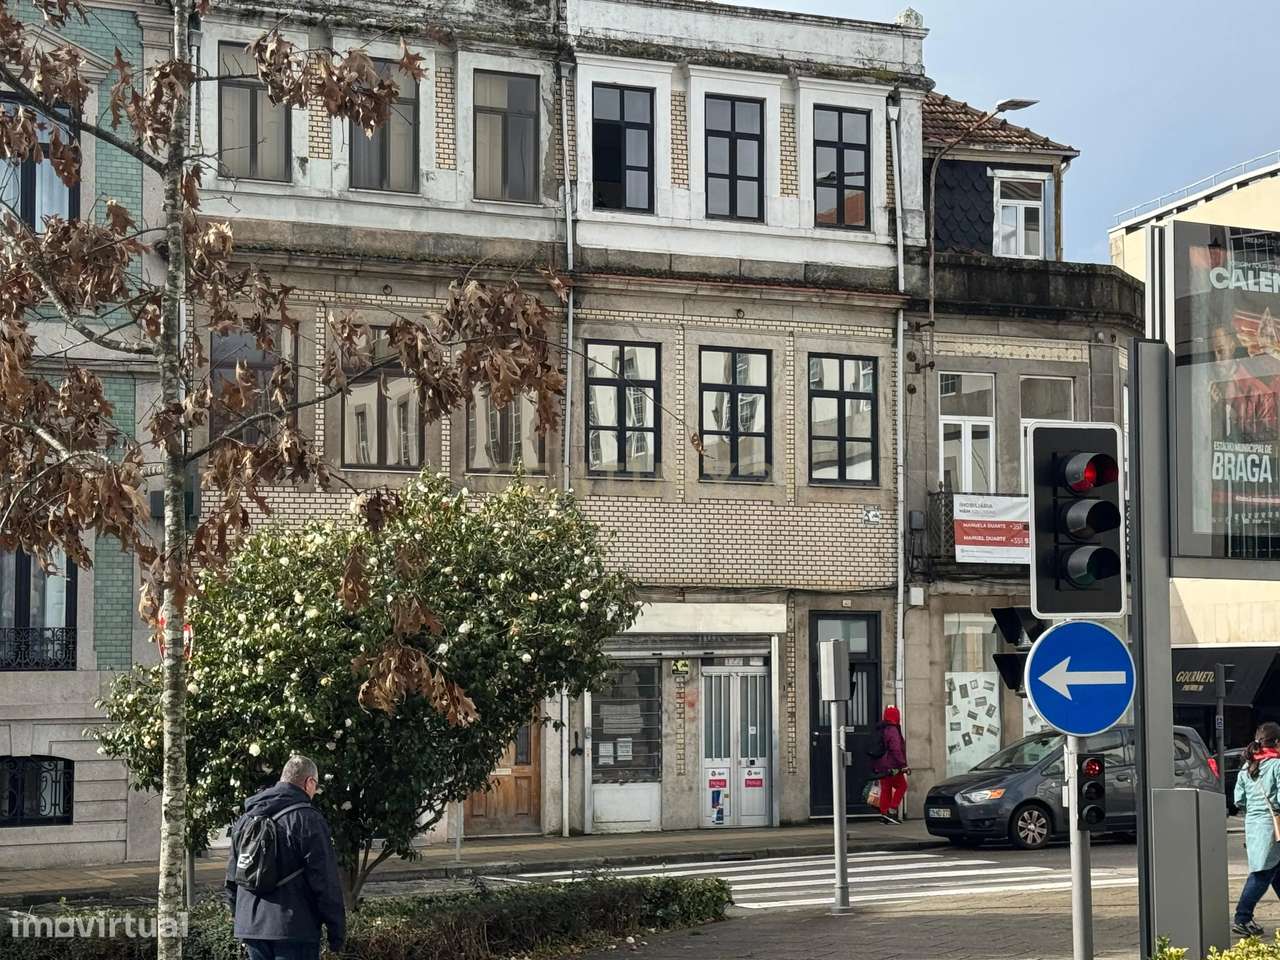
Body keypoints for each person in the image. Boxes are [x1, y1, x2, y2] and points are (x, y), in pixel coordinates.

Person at [224, 755, 346, 959]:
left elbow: (232, 877)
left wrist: (242, 918)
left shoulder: (246, 818)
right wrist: (337, 932)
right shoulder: (308, 819)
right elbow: (325, 881)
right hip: (294, 928)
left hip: (251, 927)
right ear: (309, 782)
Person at [1232, 722, 1280, 937]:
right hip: (1274, 826)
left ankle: (1243, 918)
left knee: (1275, 870)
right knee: (1262, 873)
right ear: (1277, 742)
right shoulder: (1277, 766)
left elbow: (1238, 800)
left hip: (1254, 825)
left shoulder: (1246, 768)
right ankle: (1242, 917)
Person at [871, 705, 909, 825]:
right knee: (902, 786)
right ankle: (892, 810)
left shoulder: (881, 728)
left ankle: (884, 814)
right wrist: (903, 765)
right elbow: (896, 749)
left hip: (881, 764)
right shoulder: (893, 730)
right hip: (892, 765)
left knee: (886, 789)